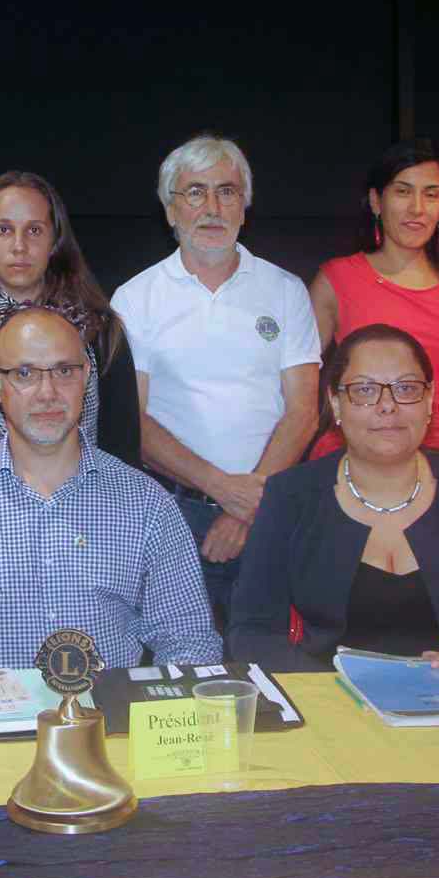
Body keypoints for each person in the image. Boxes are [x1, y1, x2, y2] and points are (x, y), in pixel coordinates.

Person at [0, 307, 220, 690]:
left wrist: (154, 715)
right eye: (24, 374)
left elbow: (190, 639)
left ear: (86, 377)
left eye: (64, 371)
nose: (47, 392)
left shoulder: (147, 504)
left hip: (109, 722)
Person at [228, 325, 439, 672]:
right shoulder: (291, 496)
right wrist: (326, 689)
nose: (387, 406)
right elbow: (252, 631)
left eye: (406, 389)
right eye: (365, 390)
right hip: (331, 692)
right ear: (336, 403)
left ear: (429, 400)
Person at [110, 134, 321, 630]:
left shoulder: (286, 291)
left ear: (244, 207)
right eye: (195, 192)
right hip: (172, 514)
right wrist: (224, 490)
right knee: (180, 658)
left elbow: (304, 413)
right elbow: (131, 422)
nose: (212, 208)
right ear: (170, 210)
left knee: (271, 658)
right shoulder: (134, 299)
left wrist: (245, 508)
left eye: (226, 192)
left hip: (272, 514)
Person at [0, 170, 140, 494]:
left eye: (34, 230)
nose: (19, 246)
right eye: (4, 230)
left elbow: (123, 444)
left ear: (55, 241)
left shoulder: (97, 330)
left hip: (86, 512)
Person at [308, 138, 439, 456]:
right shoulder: (337, 280)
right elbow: (297, 383)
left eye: (430, 194)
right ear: (376, 201)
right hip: (357, 460)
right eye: (403, 191)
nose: (417, 208)